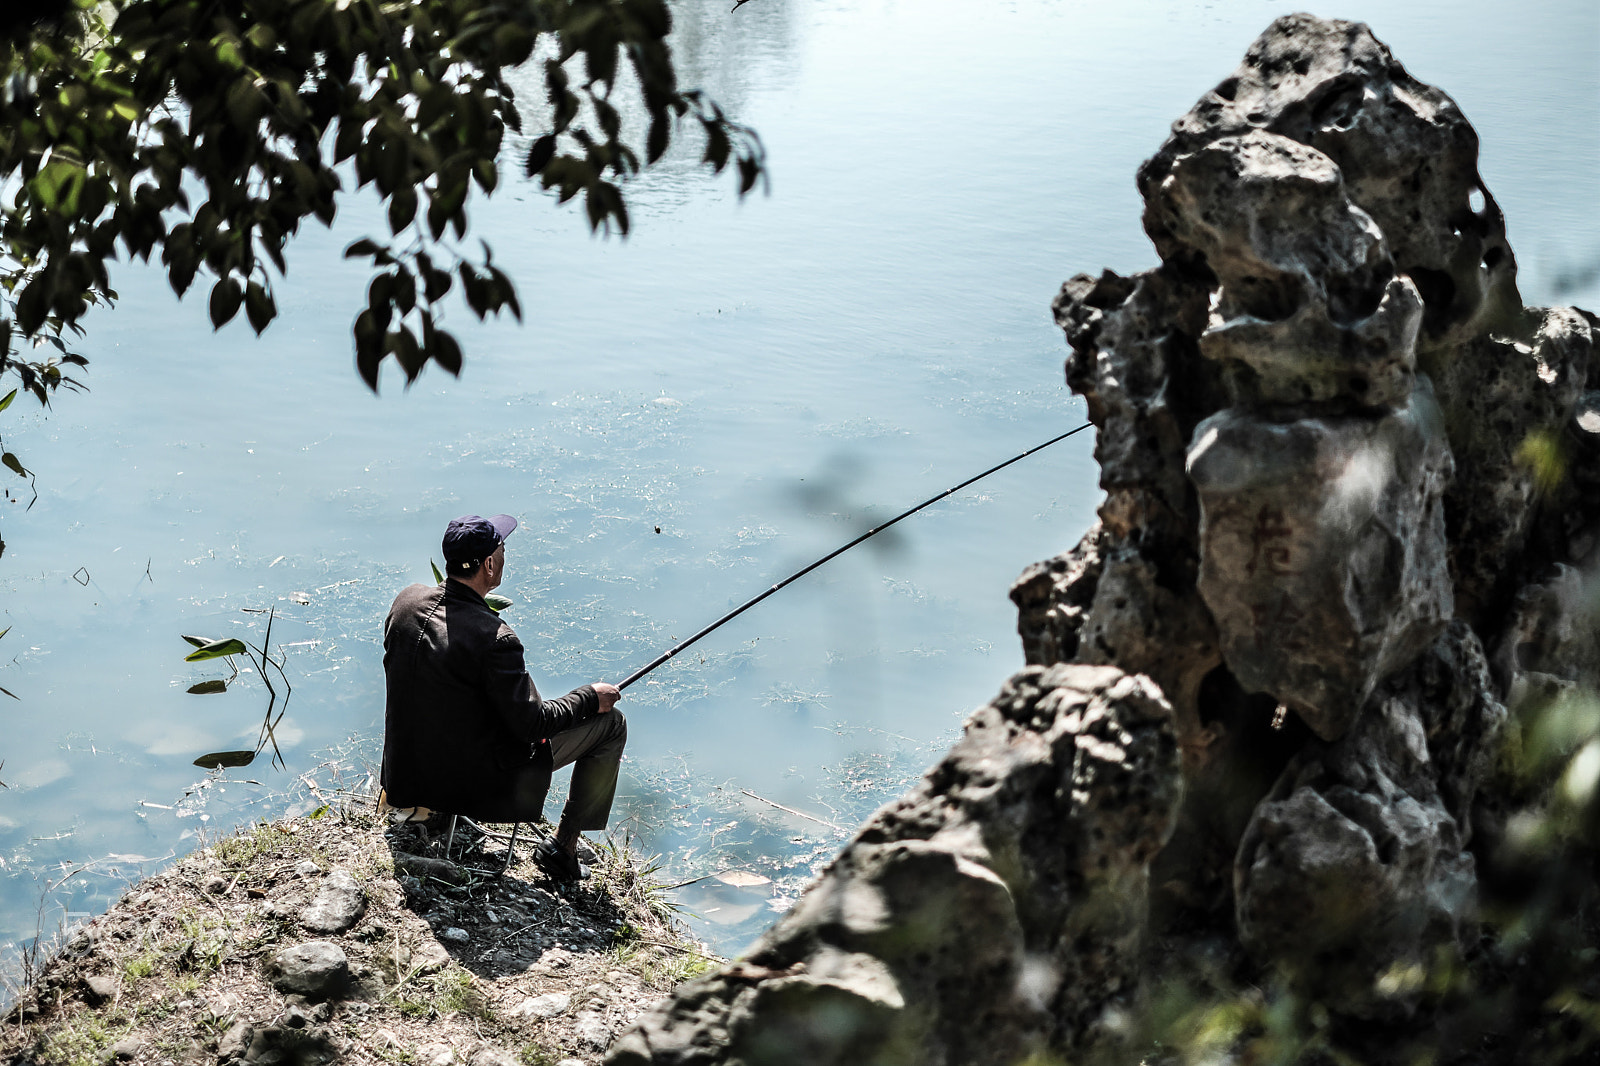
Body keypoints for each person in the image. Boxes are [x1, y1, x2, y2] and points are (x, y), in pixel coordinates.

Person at [380, 513, 625, 883]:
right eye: (502, 549)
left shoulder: (406, 604)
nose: (505, 555)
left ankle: (437, 813)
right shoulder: (495, 638)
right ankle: (563, 850)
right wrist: (589, 698)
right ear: (490, 564)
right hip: (472, 789)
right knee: (610, 726)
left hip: (406, 780)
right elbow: (533, 725)